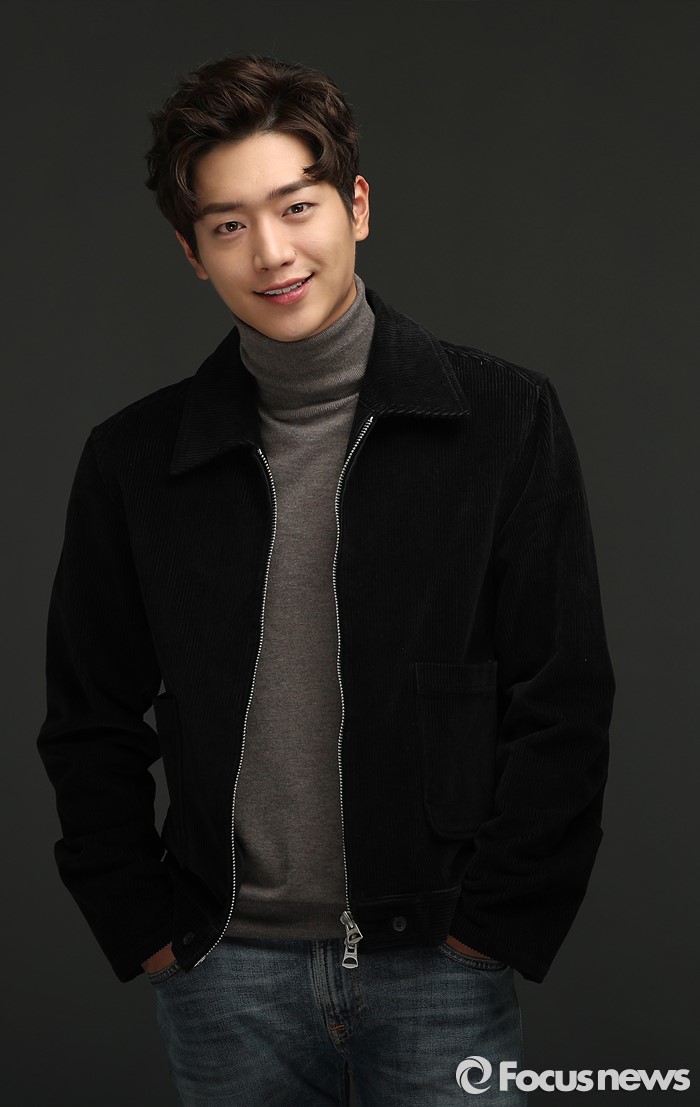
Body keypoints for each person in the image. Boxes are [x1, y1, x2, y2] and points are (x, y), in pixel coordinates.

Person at [37, 54, 615, 1106]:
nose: (271, 252)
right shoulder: (135, 459)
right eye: (228, 225)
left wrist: (491, 927)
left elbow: (563, 695)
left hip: (441, 962)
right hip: (226, 972)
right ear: (192, 253)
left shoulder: (502, 419)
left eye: (296, 206)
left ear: (356, 206)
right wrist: (145, 927)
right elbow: (87, 716)